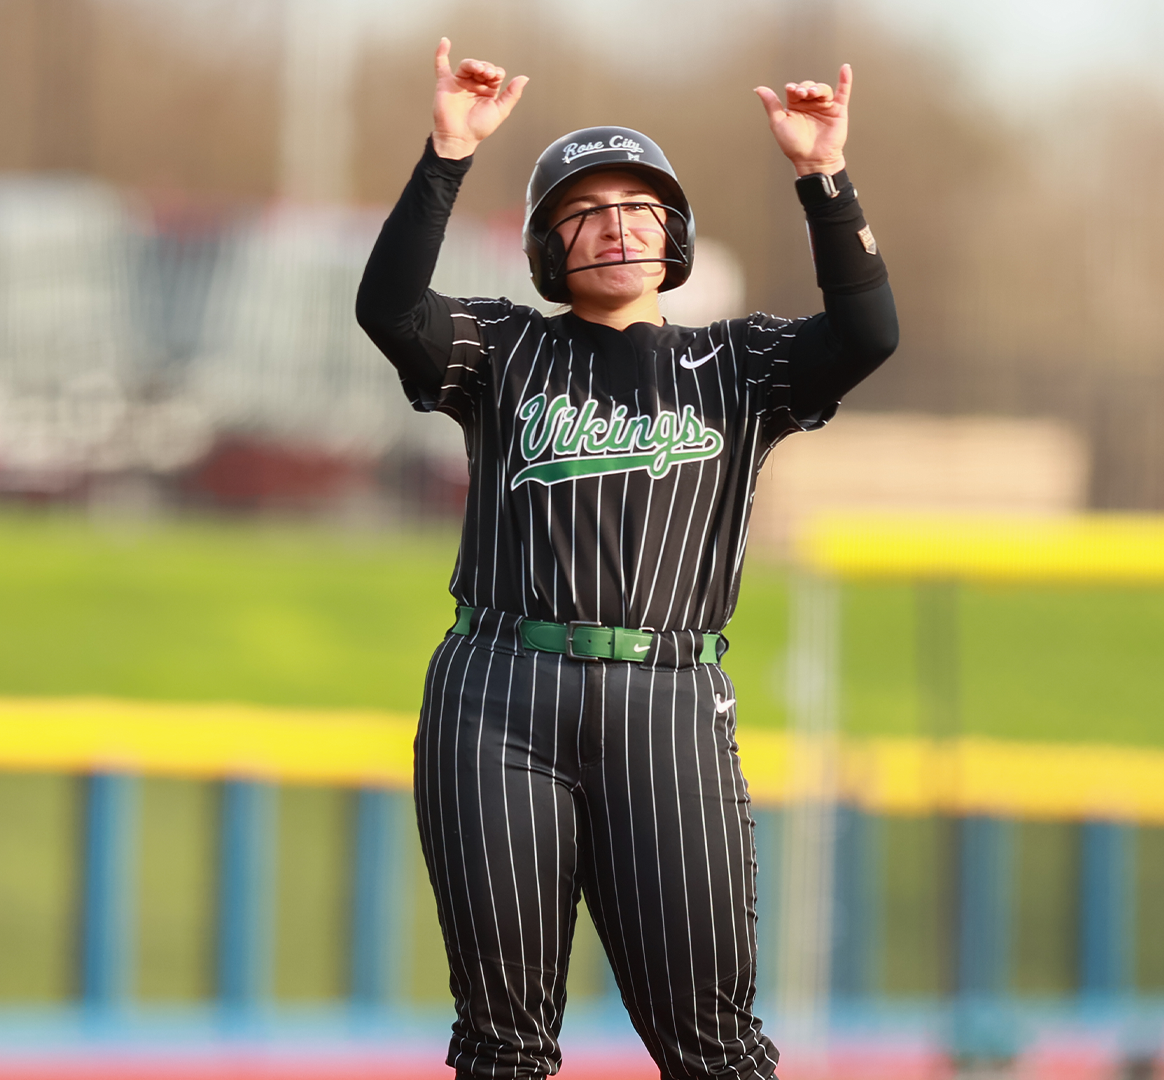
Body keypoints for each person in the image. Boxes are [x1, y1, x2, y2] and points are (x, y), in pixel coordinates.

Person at [355, 37, 897, 1080]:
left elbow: (868, 331)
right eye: (588, 212)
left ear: (675, 233)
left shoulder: (738, 364)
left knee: (715, 1049)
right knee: (502, 1047)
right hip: (497, 694)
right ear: (549, 247)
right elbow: (389, 310)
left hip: (669, 698)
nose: (617, 226)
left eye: (640, 208)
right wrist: (447, 153)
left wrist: (822, 177)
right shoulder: (507, 348)